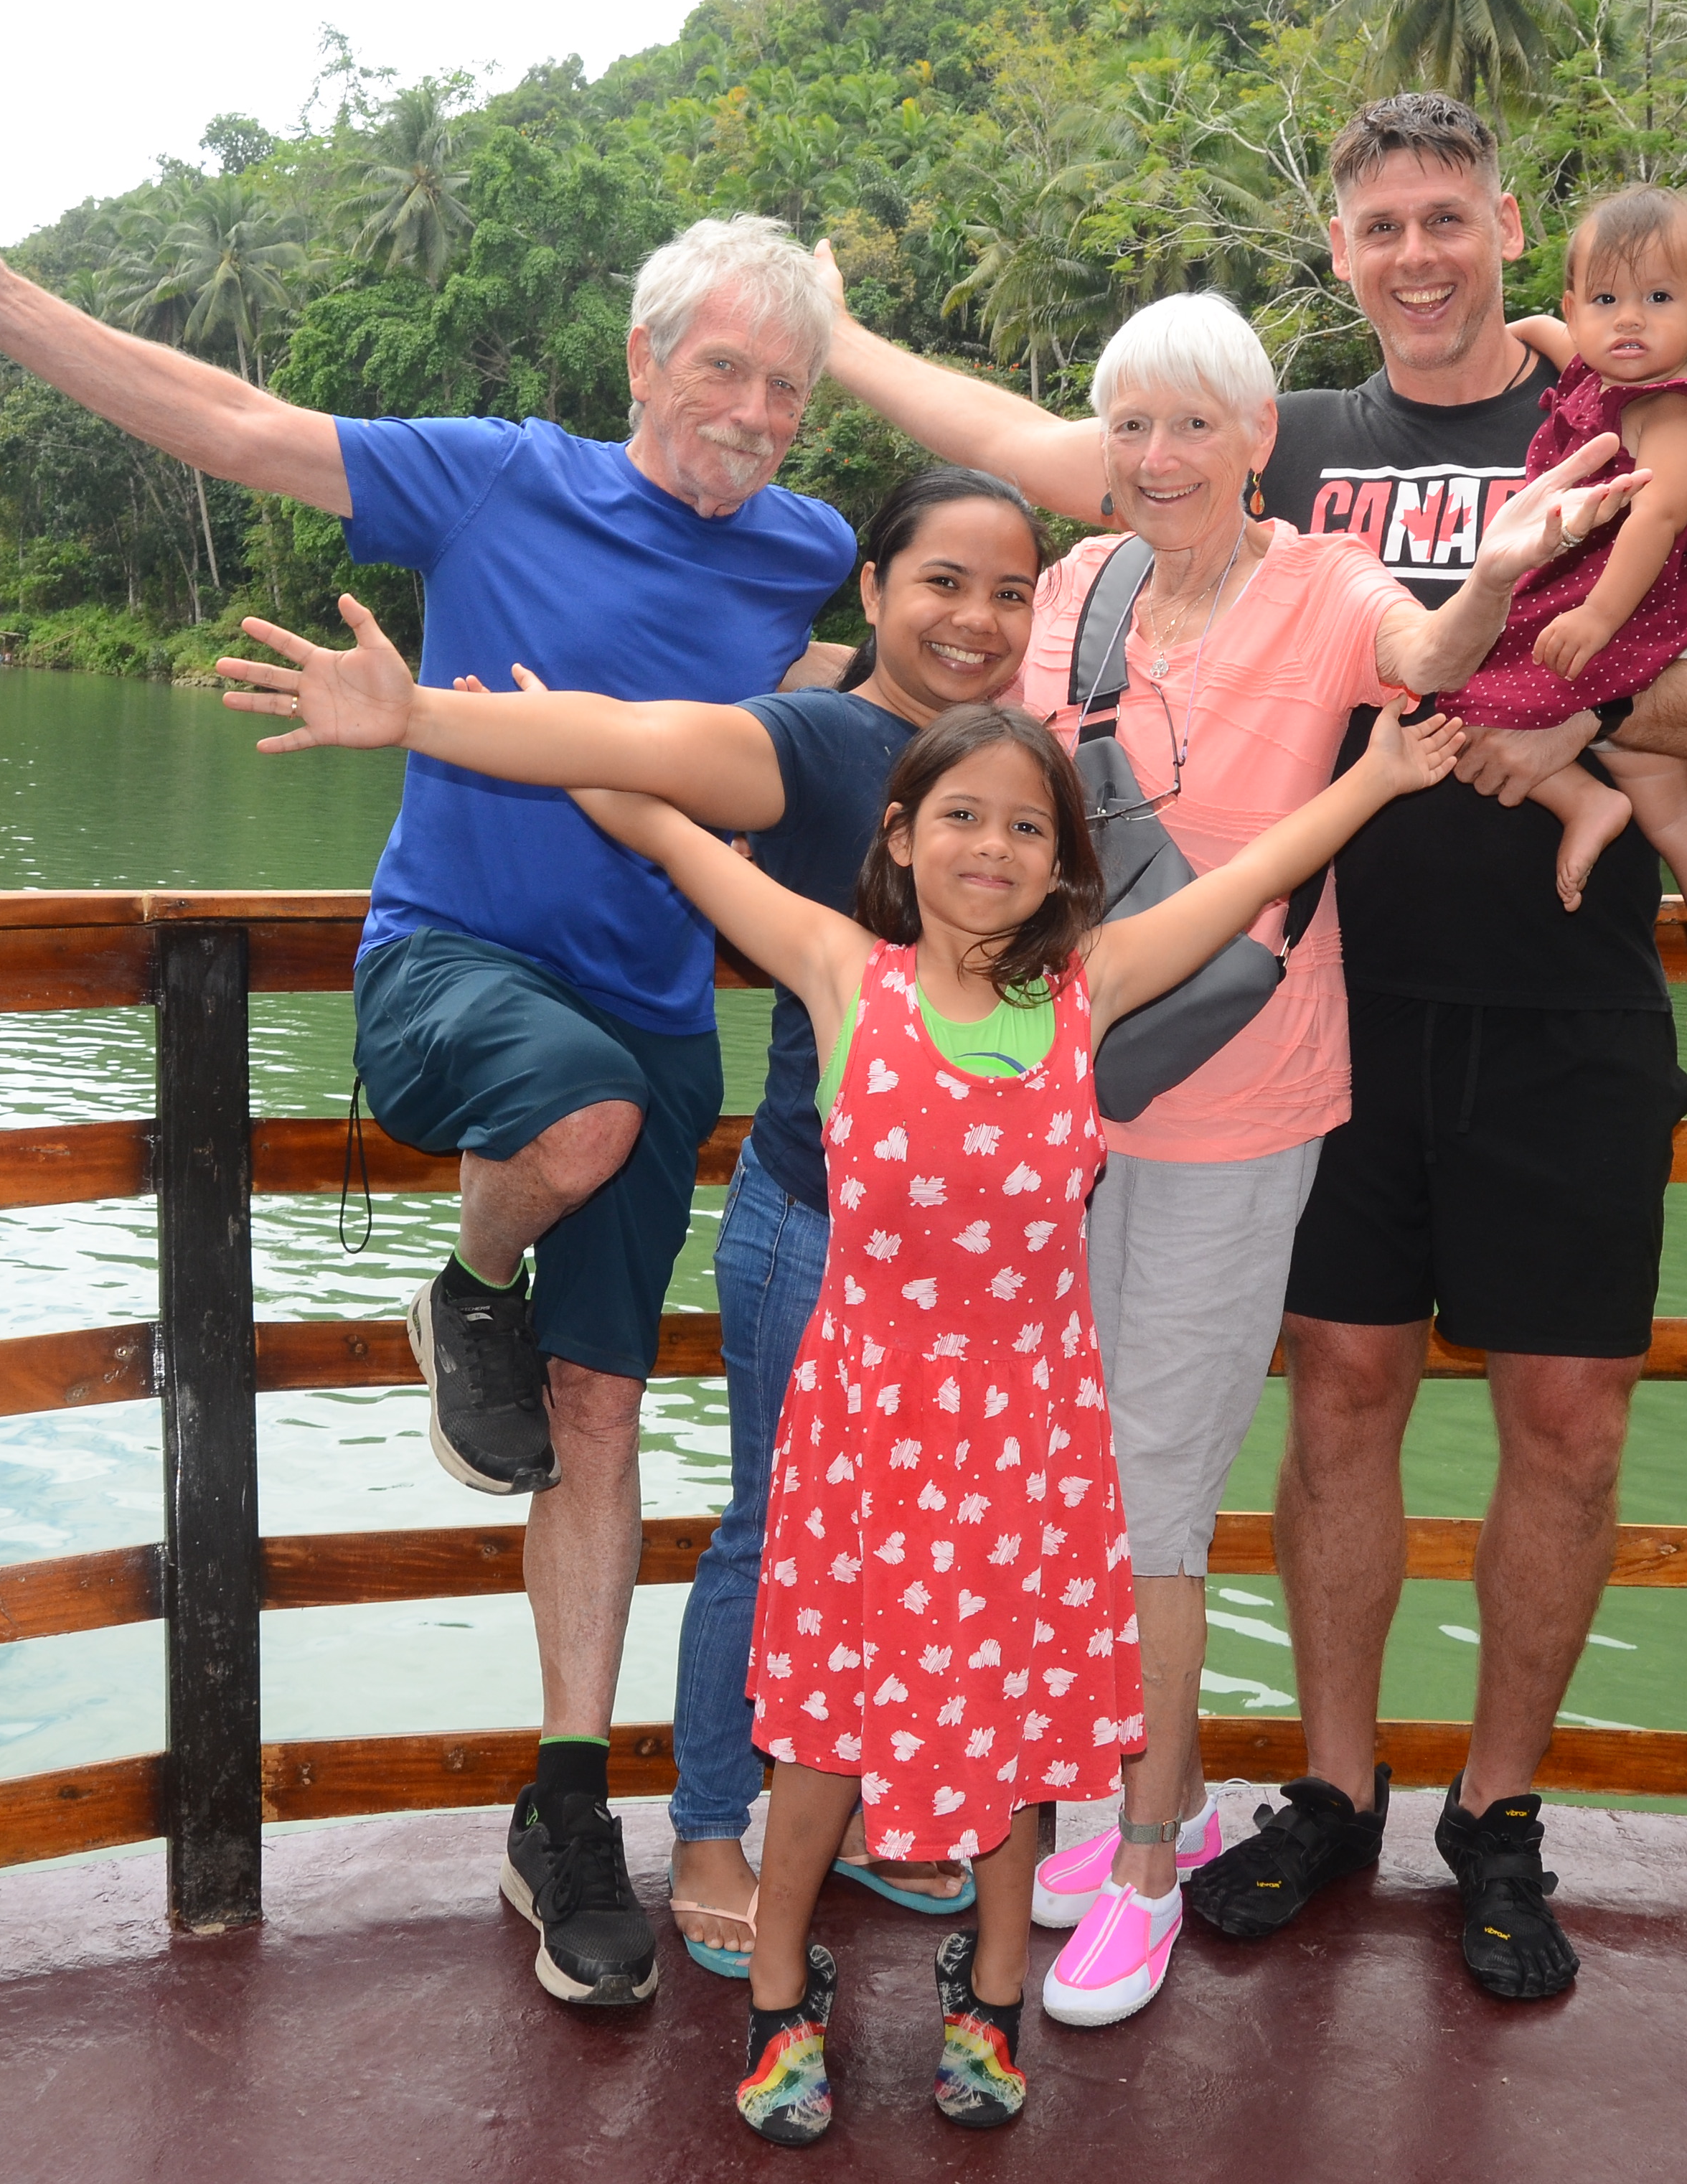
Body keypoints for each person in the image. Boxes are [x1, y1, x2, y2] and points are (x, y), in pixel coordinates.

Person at [0, 155, 849, 2010]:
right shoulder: (505, 476)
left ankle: (564, 1808)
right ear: (642, 357)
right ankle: (469, 1275)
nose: (754, 417)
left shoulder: (804, 549)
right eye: (727, 371)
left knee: (599, 1421)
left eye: (790, 389)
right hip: (459, 967)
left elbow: (884, 660)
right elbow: (236, 428)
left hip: (667, 1012)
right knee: (577, 1118)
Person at [811, 93, 1687, 2004]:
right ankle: (1339, 1787)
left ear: (1510, 227)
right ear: (1343, 252)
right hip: (1324, 1019)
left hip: (1565, 1007)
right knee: (1342, 1392)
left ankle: (1500, 1818)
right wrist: (832, 333)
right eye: (1384, 226)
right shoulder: (1292, 444)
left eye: (1452, 216)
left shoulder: (1605, 418)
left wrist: (1580, 708)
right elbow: (1037, 448)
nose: (1421, 253)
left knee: (1568, 1419)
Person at [573, 695, 1470, 2144]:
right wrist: (494, 716)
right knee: (823, 1740)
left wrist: (1374, 772)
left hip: (1027, 1441)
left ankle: (987, 1996)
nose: (990, 846)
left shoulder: (1085, 992)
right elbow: (657, 820)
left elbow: (1250, 882)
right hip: (867, 1437)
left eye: (1025, 826)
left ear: (1063, 863)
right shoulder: (839, 972)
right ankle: (781, 1994)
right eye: (961, 817)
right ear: (902, 838)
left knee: (1009, 1732)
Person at [212, 468, 1047, 1967]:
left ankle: (814, 1804)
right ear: (870, 593)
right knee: (776, 1522)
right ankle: (711, 1818)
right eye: (941, 583)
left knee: (856, 1506)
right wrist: (421, 716)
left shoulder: (1014, 767)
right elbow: (643, 750)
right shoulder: (817, 738)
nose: (976, 618)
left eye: (1009, 590)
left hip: (958, 1242)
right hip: (815, 1196)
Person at [1457, 183, 1687, 1049]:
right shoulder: (1592, 369)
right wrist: (1520, 331)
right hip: (1618, 604)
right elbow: (1555, 338)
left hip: (1637, 605)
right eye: (1604, 301)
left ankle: (1583, 805)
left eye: (1657, 300)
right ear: (1574, 309)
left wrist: (1593, 618)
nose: (1627, 321)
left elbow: (1657, 519)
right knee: (1666, 799)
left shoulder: (1675, 409)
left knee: (1463, 693)